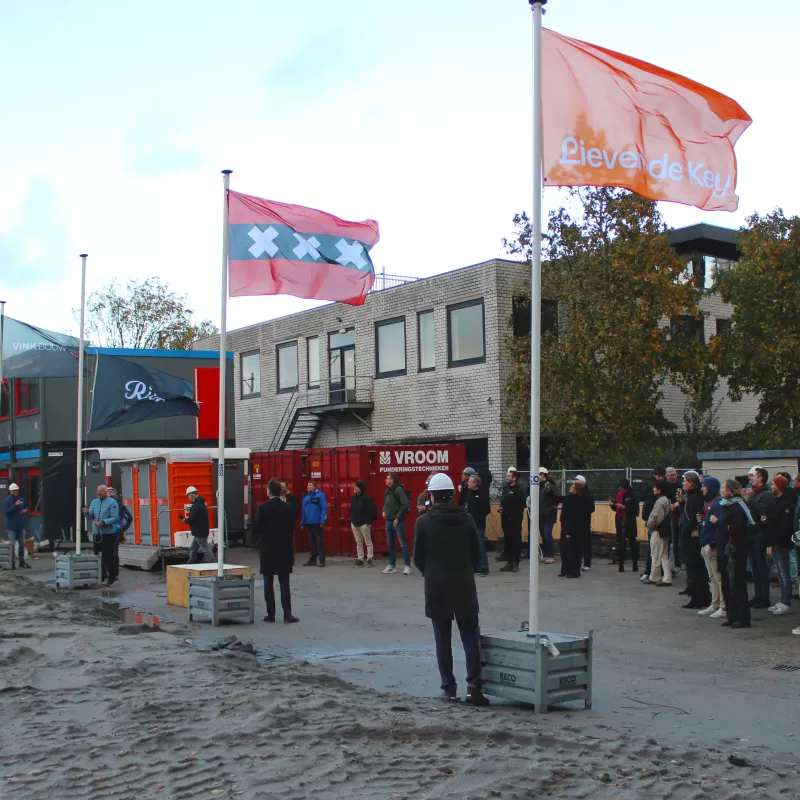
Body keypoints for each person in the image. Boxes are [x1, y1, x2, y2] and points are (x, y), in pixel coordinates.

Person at [412, 472, 489, 706]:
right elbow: (478, 554)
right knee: (470, 637)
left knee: (442, 639)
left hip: (436, 587)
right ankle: (474, 688)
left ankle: (449, 689)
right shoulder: (466, 519)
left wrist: (431, 572)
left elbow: (418, 558)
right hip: (464, 585)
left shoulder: (423, 522)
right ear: (452, 495)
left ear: (432, 496)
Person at [255, 478, 299, 624]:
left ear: (268, 491)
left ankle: (271, 614)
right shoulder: (287, 507)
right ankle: (287, 614)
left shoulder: (262, 508)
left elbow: (257, 529)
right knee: (284, 582)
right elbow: (291, 527)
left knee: (268, 582)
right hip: (284, 549)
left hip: (268, 549)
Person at [715, 479, 754, 629]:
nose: (721, 491)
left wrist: (718, 523)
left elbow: (735, 529)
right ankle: (732, 616)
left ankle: (742, 618)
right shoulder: (727, 506)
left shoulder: (737, 507)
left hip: (736, 549)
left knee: (737, 584)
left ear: (730, 491)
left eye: (724, 488)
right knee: (727, 584)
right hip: (726, 549)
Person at [550, 476, 593, 578]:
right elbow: (558, 499)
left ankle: (574, 570)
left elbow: (586, 510)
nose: (572, 485)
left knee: (574, 549)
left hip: (575, 526)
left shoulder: (583, 498)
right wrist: (551, 489)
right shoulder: (570, 498)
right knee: (564, 549)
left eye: (574, 484)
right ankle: (565, 569)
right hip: (566, 525)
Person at [679, 471, 711, 610]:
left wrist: (684, 531)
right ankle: (698, 596)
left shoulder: (695, 498)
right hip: (690, 536)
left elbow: (693, 518)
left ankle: (699, 597)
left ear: (691, 483)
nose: (683, 483)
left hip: (692, 538)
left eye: (685, 481)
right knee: (694, 568)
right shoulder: (691, 497)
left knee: (696, 569)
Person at [747, 467, 775, 609]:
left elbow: (762, 514)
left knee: (761, 566)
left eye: (753, 476)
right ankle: (758, 595)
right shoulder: (756, 494)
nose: (750, 478)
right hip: (751, 533)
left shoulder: (767, 495)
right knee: (754, 567)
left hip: (760, 534)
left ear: (761, 478)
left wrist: (750, 499)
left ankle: (764, 597)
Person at [698, 477, 726, 619]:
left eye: (704, 486)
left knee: (718, 577)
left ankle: (723, 606)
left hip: (711, 545)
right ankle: (714, 604)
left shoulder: (717, 503)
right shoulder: (708, 503)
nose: (702, 489)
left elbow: (718, 525)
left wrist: (712, 543)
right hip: (705, 544)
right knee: (712, 577)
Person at [769, 474, 797, 616]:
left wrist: (780, 539)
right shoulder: (777, 501)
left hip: (782, 542)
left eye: (774, 484)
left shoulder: (786, 503)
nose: (772, 487)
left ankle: (786, 601)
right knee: (780, 572)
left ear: (779, 486)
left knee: (785, 573)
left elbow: (785, 525)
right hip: (775, 541)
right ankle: (782, 599)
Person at [86, 485, 120, 585]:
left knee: (110, 556)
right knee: (97, 555)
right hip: (97, 533)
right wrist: (86, 513)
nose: (98, 493)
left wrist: (103, 523)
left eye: (100, 491)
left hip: (109, 534)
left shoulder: (112, 503)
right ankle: (101, 576)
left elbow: (115, 518)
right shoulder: (94, 502)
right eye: (97, 491)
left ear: (106, 492)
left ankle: (112, 577)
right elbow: (91, 516)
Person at [381, 473, 411, 575]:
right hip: (388, 521)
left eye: (387, 478)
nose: (385, 480)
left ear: (392, 480)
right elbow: (385, 503)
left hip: (398, 521)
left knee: (402, 543)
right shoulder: (387, 491)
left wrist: (398, 518)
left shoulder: (399, 490)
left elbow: (404, 505)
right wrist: (384, 510)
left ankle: (407, 567)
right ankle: (392, 566)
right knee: (390, 544)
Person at [641, 466, 667, 581]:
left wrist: (651, 523)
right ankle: (652, 572)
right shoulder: (650, 490)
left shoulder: (661, 498)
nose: (660, 478)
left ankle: (655, 575)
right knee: (655, 552)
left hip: (658, 525)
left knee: (658, 552)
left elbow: (658, 514)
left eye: (662, 476)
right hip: (653, 522)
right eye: (659, 476)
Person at [499, 467, 527, 573]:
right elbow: (503, 500)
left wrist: (512, 512)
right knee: (508, 540)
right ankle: (509, 562)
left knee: (515, 541)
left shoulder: (519, 490)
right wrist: (501, 507)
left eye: (509, 476)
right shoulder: (506, 487)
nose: (507, 478)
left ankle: (516, 562)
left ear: (514, 478)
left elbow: (521, 505)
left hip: (514, 519)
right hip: (505, 518)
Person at [645, 480, 672, 586]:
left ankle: (654, 577)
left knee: (655, 555)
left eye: (655, 487)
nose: (653, 489)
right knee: (664, 555)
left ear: (659, 489)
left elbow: (656, 517)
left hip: (658, 531)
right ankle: (667, 578)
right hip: (664, 531)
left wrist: (650, 525)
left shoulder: (660, 501)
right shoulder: (667, 500)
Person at [610, 479, 639, 574]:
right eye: (619, 487)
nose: (620, 489)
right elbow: (617, 508)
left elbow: (635, 510)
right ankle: (621, 564)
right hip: (619, 519)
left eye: (621, 487)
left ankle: (635, 564)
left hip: (629, 520)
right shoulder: (619, 495)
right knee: (621, 542)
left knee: (632, 542)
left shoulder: (632, 496)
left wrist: (624, 507)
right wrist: (613, 505)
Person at [180, 486, 213, 565]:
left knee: (205, 548)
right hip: (200, 531)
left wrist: (184, 520)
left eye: (188, 496)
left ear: (191, 495)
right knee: (193, 548)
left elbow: (191, 519)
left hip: (199, 532)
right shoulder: (202, 504)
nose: (188, 499)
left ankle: (214, 563)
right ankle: (189, 563)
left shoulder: (196, 506)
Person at [465, 474, 491, 576]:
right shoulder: (469, 493)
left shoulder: (482, 494)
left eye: (470, 482)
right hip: (470, 524)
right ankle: (475, 566)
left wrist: (478, 517)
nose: (468, 483)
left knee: (480, 545)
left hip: (478, 524)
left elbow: (486, 509)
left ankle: (484, 567)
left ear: (475, 483)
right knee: (472, 546)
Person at [350, 480, 377, 567]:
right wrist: (352, 520)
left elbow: (372, 511)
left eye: (357, 487)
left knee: (368, 542)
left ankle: (369, 558)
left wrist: (368, 523)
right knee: (359, 542)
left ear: (361, 488)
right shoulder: (354, 498)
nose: (355, 488)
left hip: (364, 524)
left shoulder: (367, 498)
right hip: (355, 523)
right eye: (355, 486)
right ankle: (360, 558)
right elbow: (352, 509)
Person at [301, 481, 328, 567]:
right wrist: (302, 522)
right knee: (312, 542)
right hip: (308, 522)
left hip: (317, 522)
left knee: (319, 542)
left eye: (310, 485)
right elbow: (303, 511)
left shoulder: (320, 495)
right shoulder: (305, 496)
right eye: (307, 485)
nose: (308, 486)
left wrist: (322, 521)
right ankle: (313, 560)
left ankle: (322, 560)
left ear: (315, 487)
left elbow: (324, 509)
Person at [3, 482, 29, 569]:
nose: (15, 492)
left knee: (21, 544)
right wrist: (15, 505)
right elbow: (7, 512)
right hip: (12, 526)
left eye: (16, 490)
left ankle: (22, 562)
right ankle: (12, 563)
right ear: (10, 491)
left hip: (20, 525)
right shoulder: (7, 501)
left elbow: (26, 507)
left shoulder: (21, 499)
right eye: (13, 491)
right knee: (12, 544)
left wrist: (25, 510)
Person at [538, 468, 558, 565]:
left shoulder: (549, 484)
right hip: (540, 514)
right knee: (543, 535)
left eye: (538, 474)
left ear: (542, 475)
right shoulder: (538, 485)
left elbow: (557, 495)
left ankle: (551, 555)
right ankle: (546, 554)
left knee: (547, 534)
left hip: (549, 514)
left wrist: (549, 490)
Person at [665, 467, 682, 573]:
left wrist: (678, 503)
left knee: (677, 540)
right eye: (671, 475)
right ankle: (671, 563)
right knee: (671, 540)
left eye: (675, 474)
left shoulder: (679, 485)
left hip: (679, 514)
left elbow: (681, 497)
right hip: (669, 514)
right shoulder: (665, 487)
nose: (674, 477)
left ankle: (678, 562)